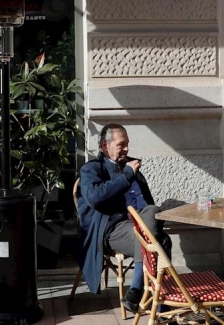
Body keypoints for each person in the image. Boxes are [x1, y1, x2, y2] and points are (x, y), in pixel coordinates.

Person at [76, 124, 171, 314]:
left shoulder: (133, 168)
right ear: (105, 146)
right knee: (159, 242)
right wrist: (127, 175)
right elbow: (95, 197)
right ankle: (158, 305)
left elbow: (147, 205)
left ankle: (137, 293)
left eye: (127, 144)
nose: (127, 149)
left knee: (152, 216)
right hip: (110, 229)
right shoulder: (92, 169)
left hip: (137, 226)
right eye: (121, 145)